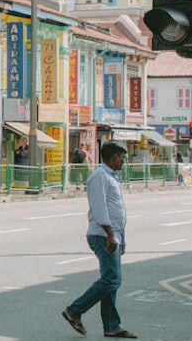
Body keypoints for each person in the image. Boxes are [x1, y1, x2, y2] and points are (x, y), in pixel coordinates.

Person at [62, 140, 137, 339]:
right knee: (112, 279)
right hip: (102, 235)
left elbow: (116, 210)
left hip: (113, 236)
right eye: (122, 157)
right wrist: (110, 235)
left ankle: (111, 325)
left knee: (111, 280)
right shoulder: (100, 176)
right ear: (113, 158)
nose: (123, 161)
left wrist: (121, 238)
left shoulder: (110, 177)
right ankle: (75, 310)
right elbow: (99, 207)